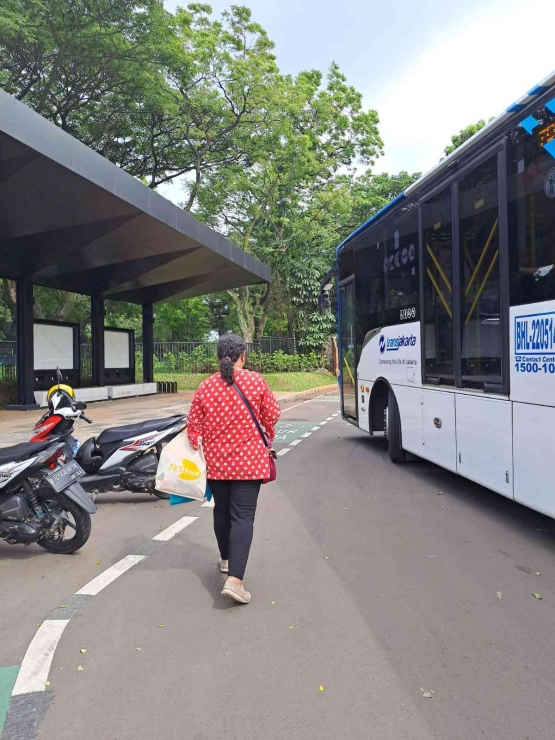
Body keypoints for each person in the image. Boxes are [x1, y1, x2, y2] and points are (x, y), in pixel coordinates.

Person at [187, 334, 281, 604]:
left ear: (219, 357)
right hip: (249, 464)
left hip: (217, 466)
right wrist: (267, 434)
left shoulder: (205, 387)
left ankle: (226, 560)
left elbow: (194, 430)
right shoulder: (256, 381)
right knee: (243, 517)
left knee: (222, 512)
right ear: (243, 356)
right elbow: (272, 415)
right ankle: (235, 581)